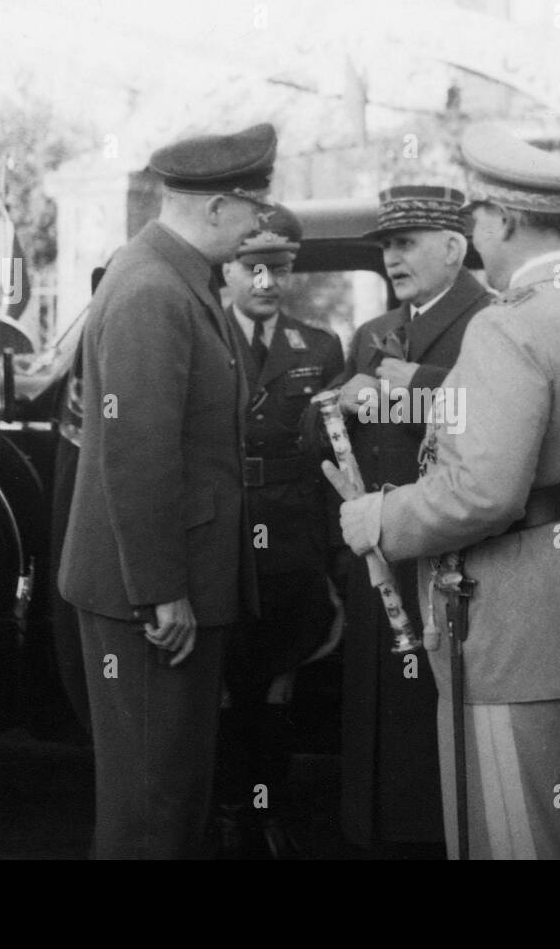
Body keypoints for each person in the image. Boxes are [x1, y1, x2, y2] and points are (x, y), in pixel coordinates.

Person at [332, 125, 560, 859]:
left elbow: (481, 495)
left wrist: (380, 516)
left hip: (524, 646)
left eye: (477, 214)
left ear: (506, 221)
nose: (472, 227)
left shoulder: (507, 329)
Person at [57, 123, 276, 859]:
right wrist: (162, 591)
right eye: (254, 214)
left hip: (159, 589)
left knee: (171, 796)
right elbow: (139, 457)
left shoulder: (168, 276)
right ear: (216, 208)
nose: (257, 232)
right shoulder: (155, 289)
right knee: (152, 811)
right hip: (148, 601)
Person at [327, 184, 489, 854]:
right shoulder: (371, 334)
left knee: (432, 736)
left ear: (454, 247)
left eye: (407, 243)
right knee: (371, 723)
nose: (392, 258)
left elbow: (488, 419)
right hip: (375, 555)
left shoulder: (494, 321)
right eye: (387, 246)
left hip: (449, 557)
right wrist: (339, 406)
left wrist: (403, 390)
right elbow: (320, 433)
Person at [214, 202, 344, 857]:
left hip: (291, 542)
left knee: (278, 683)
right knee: (219, 684)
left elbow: (332, 460)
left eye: (277, 268)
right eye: (251, 267)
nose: (264, 282)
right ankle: (228, 810)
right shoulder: (199, 340)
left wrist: (331, 562)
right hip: (219, 538)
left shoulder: (319, 350)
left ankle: (268, 807)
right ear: (228, 270)